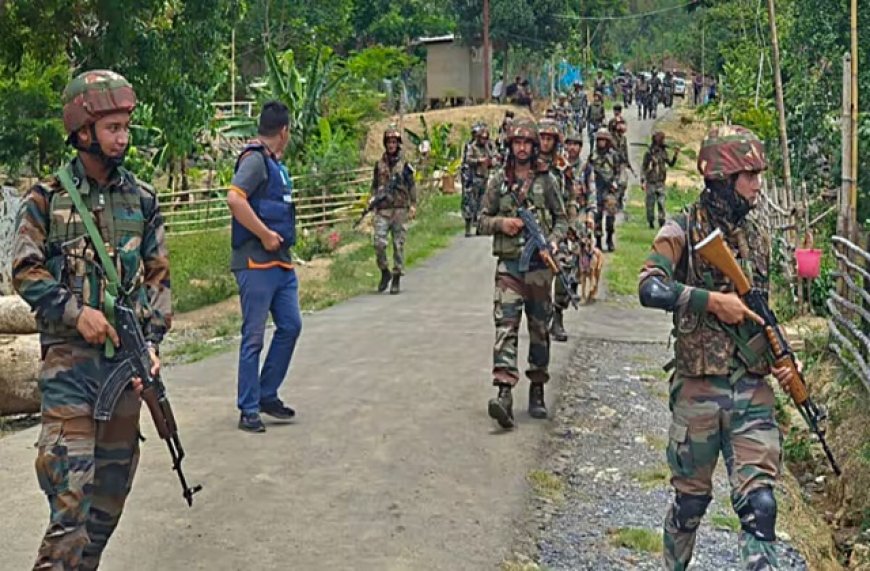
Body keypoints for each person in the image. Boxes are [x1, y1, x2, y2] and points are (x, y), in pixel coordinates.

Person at [12, 69, 170, 569]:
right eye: (112, 128)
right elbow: (24, 269)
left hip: (124, 370)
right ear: (83, 131)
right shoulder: (46, 199)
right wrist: (75, 314)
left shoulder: (142, 200)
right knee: (71, 500)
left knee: (107, 502)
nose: (122, 137)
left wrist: (151, 342)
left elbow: (158, 277)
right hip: (69, 370)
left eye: (126, 127)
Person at [638, 125, 798, 570]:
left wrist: (782, 357)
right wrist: (710, 301)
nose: (757, 185)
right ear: (722, 178)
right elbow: (649, 287)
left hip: (751, 390)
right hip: (698, 393)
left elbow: (760, 313)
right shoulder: (683, 230)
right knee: (690, 507)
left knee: (760, 507)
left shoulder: (758, 237)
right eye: (748, 175)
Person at [478, 119, 568, 428]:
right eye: (517, 142)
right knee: (506, 327)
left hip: (540, 271)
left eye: (528, 143)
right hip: (510, 268)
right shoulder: (497, 181)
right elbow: (481, 219)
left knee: (540, 331)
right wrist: (502, 224)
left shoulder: (547, 180)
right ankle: (504, 392)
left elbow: (562, 220)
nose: (522, 148)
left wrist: (552, 243)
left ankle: (538, 388)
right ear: (510, 145)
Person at [227, 100, 302, 433]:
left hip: (281, 264)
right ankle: (249, 408)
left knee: (291, 325)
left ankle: (267, 393)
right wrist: (265, 234)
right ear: (284, 131)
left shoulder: (276, 164)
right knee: (253, 336)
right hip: (256, 262)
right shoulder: (255, 161)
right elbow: (235, 198)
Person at [550, 126, 595, 342]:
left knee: (566, 269)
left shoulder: (584, 168)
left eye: (577, 144)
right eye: (570, 144)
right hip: (547, 222)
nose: (573, 148)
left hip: (572, 221)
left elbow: (590, 193)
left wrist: (590, 216)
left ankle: (558, 315)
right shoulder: (551, 165)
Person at [370, 124, 417, 294]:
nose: (391, 145)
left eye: (394, 142)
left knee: (398, 245)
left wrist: (413, 205)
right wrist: (372, 200)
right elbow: (374, 185)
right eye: (389, 142)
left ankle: (396, 276)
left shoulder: (405, 165)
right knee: (379, 244)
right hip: (383, 210)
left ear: (398, 144)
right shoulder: (379, 164)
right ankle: (385, 271)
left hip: (399, 209)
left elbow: (411, 186)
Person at [462, 123, 498, 236]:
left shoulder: (487, 147)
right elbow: (468, 160)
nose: (483, 140)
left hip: (484, 178)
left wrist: (492, 162)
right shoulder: (472, 147)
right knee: (470, 203)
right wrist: (479, 161)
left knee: (482, 205)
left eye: (485, 138)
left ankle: (479, 227)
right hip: (473, 179)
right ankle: (468, 228)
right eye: (482, 138)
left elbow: (493, 158)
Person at [589, 128, 620, 252]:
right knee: (597, 218)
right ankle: (598, 241)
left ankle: (609, 238)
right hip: (596, 189)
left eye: (603, 140)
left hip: (609, 191)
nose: (601, 143)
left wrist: (615, 183)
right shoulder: (593, 156)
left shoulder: (613, 156)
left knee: (610, 218)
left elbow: (618, 172)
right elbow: (587, 172)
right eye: (599, 140)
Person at [641, 131, 679, 228]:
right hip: (651, 181)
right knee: (650, 203)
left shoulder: (663, 152)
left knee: (661, 203)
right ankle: (650, 222)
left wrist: (675, 155)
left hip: (661, 181)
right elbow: (644, 167)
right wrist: (642, 181)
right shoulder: (649, 153)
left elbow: (670, 164)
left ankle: (662, 221)